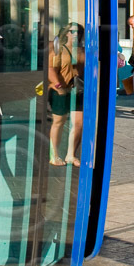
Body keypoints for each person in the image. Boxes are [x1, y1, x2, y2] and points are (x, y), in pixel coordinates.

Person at [47, 23, 83, 165]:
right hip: (61, 90)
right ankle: (54, 155)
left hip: (77, 90)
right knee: (59, 122)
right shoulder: (59, 50)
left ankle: (71, 155)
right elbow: (51, 69)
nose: (75, 34)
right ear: (66, 33)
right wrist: (58, 86)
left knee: (79, 123)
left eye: (78, 32)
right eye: (72, 31)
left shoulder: (81, 50)